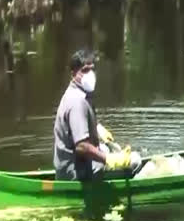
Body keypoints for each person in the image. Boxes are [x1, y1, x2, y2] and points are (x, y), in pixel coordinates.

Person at [53, 48, 140, 181]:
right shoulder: (77, 101)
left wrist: (97, 128)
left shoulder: (76, 93)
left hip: (70, 165)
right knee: (135, 161)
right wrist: (109, 159)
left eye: (92, 69)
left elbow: (77, 125)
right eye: (85, 70)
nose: (90, 74)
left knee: (108, 148)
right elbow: (81, 146)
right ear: (73, 73)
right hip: (75, 173)